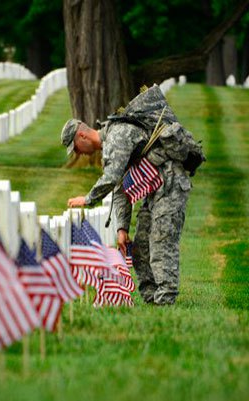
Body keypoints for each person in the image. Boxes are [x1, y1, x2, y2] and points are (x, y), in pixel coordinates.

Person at [61, 87, 193, 305]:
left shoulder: (117, 135)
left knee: (161, 240)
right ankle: (151, 299)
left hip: (169, 183)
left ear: (82, 135)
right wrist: (122, 229)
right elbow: (121, 189)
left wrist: (87, 199)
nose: (78, 153)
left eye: (75, 147)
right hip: (155, 188)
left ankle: (166, 299)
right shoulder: (109, 146)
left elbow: (112, 177)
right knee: (140, 247)